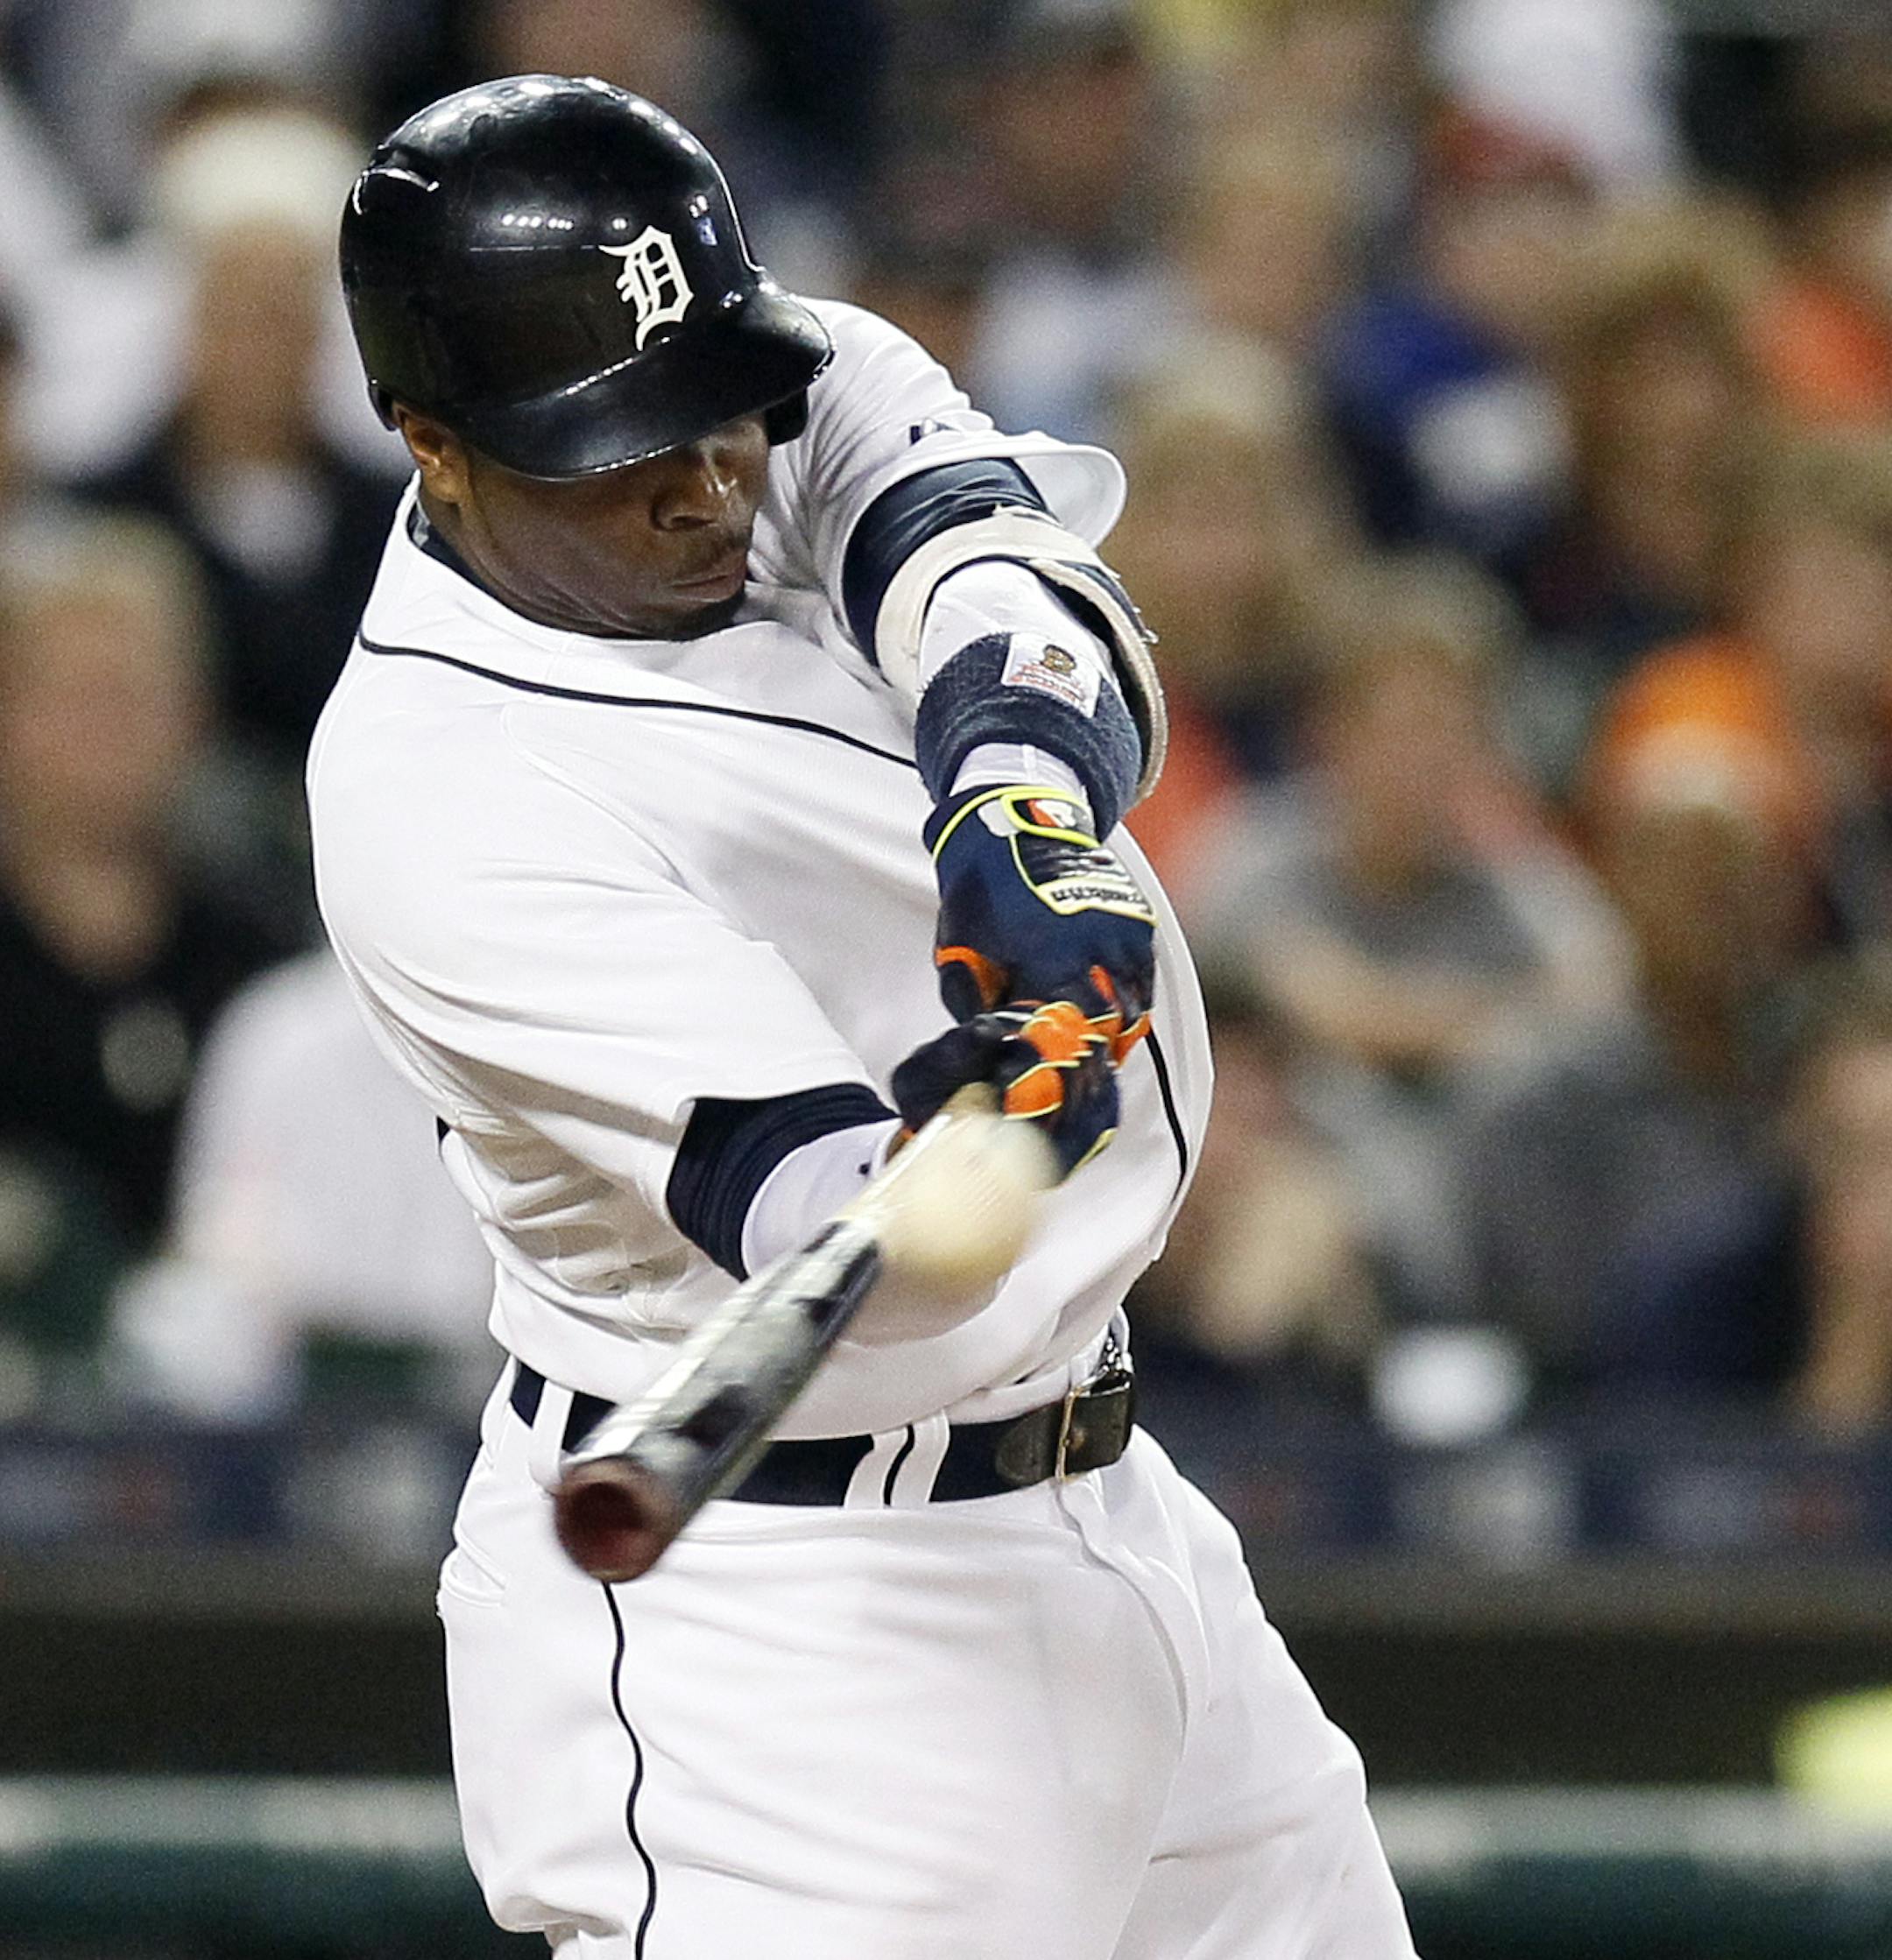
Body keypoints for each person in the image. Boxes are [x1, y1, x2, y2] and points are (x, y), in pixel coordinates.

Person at [309, 75, 1415, 1960]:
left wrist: (1019, 806)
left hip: (1114, 1513)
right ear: (431, 444)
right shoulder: (439, 800)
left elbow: (1017, 590)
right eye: (615, 450)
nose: (702, 481)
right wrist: (1018, 1096)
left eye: (714, 413)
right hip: (794, 1640)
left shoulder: (768, 378)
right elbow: (854, 1235)